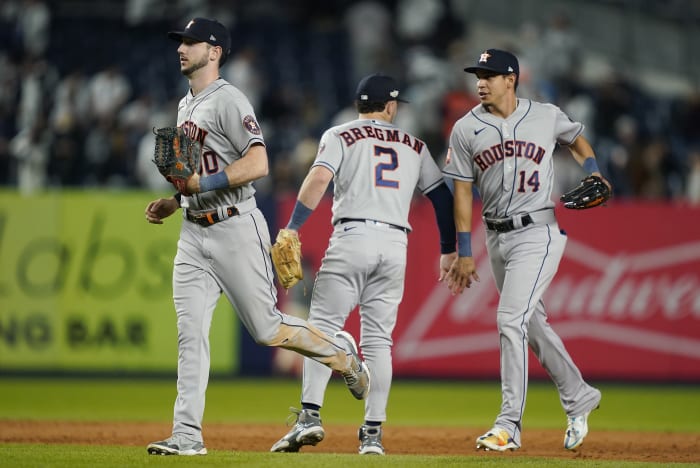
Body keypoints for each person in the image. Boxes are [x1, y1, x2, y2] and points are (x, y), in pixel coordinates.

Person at [143, 18, 369, 456]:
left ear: (215, 51)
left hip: (234, 226)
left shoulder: (229, 99)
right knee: (191, 334)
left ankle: (341, 352)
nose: (181, 49)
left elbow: (260, 162)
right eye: (180, 42)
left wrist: (201, 188)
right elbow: (192, 176)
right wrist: (177, 199)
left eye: (191, 42)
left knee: (267, 329)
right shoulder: (185, 104)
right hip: (193, 232)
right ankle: (187, 435)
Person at [269, 73, 457, 455]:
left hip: (352, 237)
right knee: (379, 342)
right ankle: (372, 435)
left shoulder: (339, 135)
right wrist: (450, 248)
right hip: (395, 243)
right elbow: (440, 198)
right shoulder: (415, 145)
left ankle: (309, 417)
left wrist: (292, 227)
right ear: (390, 107)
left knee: (320, 329)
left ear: (358, 105)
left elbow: (319, 177)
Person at [442, 49, 608, 452]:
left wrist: (594, 171)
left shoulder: (545, 115)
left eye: (490, 75)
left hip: (539, 231)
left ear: (511, 79)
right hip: (496, 237)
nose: (481, 82)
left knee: (509, 320)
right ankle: (579, 395)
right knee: (531, 326)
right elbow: (462, 194)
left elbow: (578, 141)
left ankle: (508, 425)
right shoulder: (466, 128)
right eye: (478, 75)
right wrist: (464, 251)